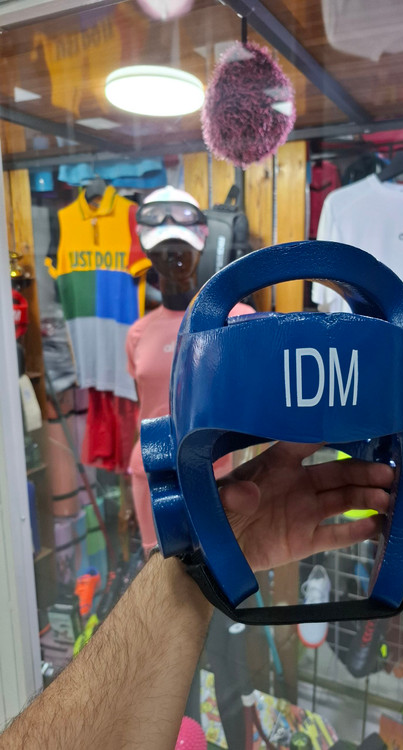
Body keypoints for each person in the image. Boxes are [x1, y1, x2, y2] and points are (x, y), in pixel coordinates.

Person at [0, 441, 393, 749]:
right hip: (191, 518)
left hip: (220, 508)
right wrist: (199, 561)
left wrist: (205, 558)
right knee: (202, 688)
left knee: (220, 676)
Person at [126, 186, 255, 555]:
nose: (173, 259)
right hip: (152, 474)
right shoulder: (138, 333)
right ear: (147, 254)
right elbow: (144, 406)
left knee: (220, 569)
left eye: (182, 249)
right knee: (158, 571)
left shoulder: (238, 320)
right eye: (162, 251)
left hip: (218, 474)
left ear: (202, 246)